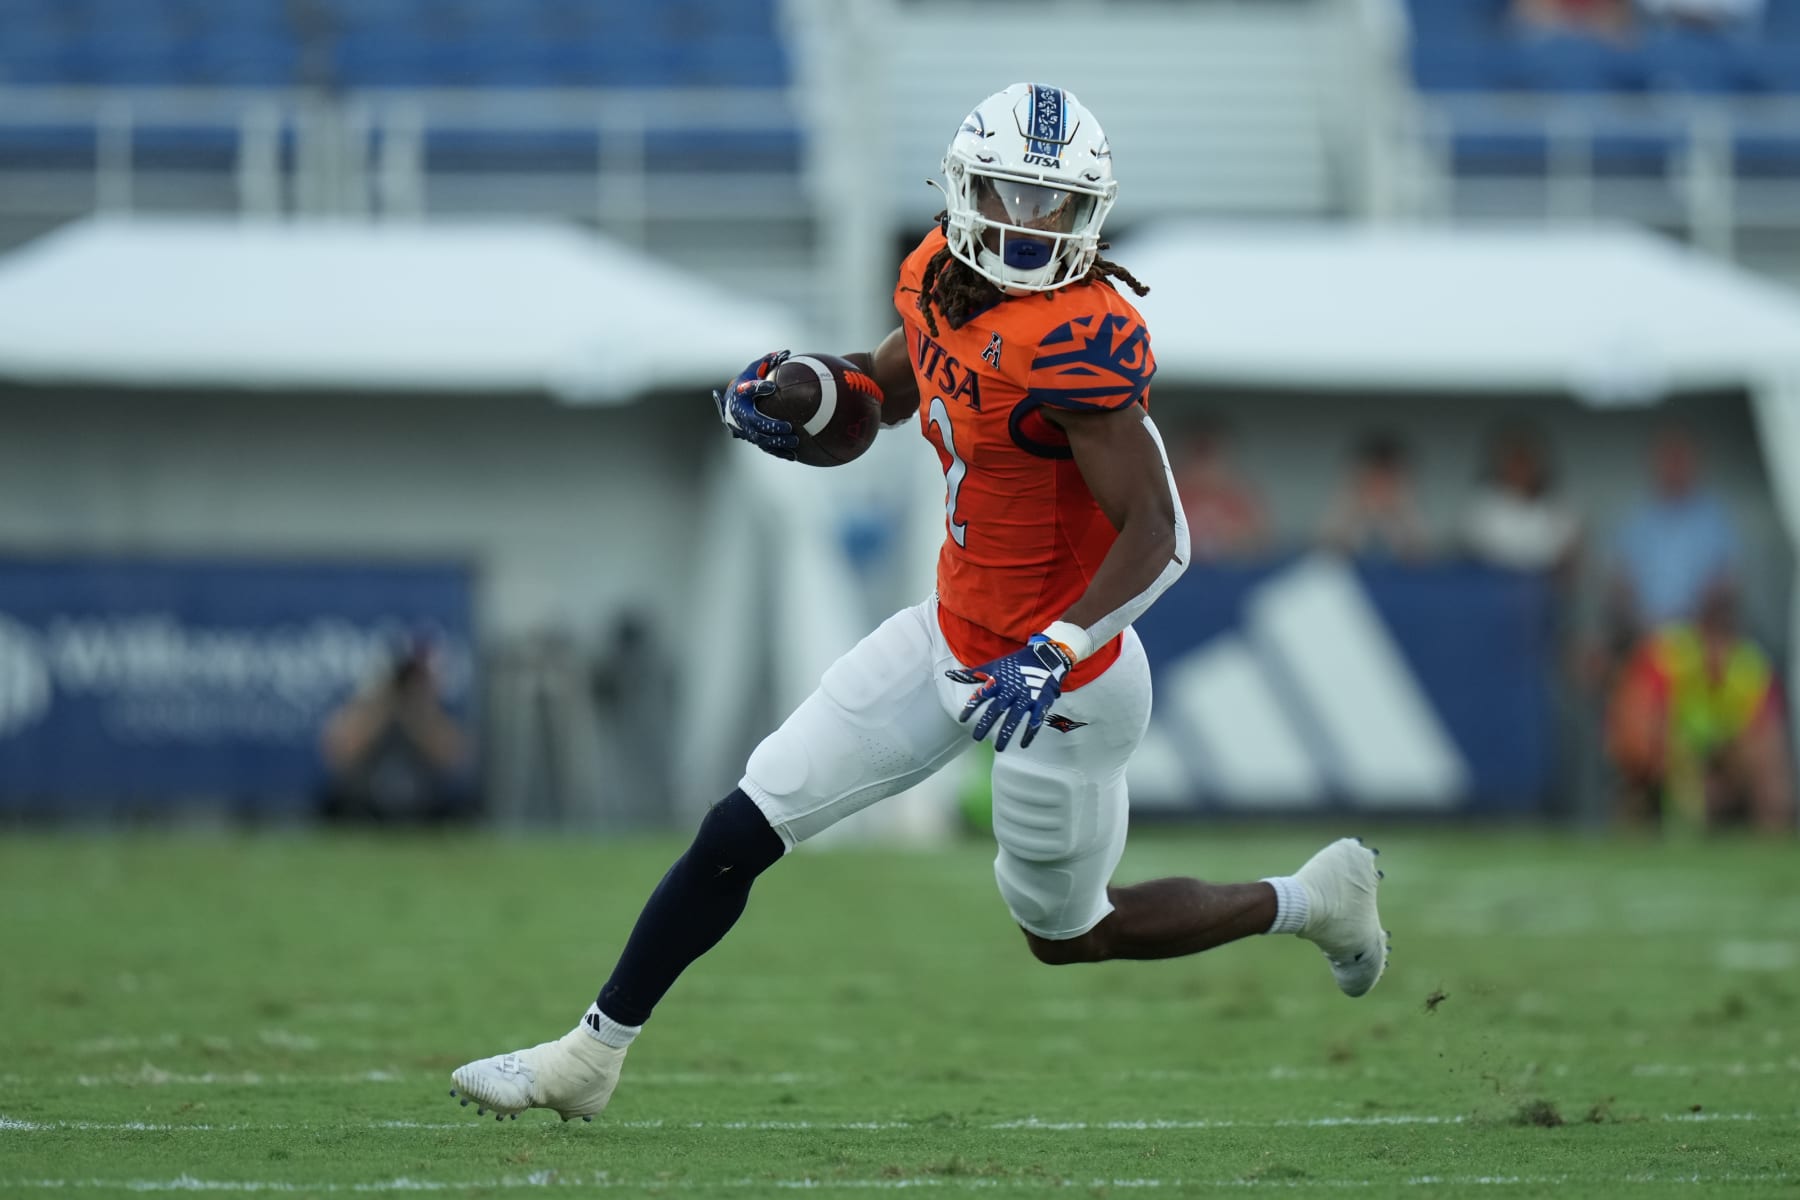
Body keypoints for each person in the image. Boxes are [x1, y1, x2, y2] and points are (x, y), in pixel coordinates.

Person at [447, 83, 1388, 1125]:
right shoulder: (938, 281)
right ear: (964, 189)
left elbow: (1160, 536)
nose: (1031, 228)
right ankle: (590, 1055)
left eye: (1054, 206)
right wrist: (804, 394)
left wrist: (1053, 648)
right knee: (744, 820)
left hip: (1063, 682)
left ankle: (1314, 903)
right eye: (1012, 198)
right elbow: (881, 399)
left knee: (1067, 933)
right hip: (945, 633)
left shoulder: (1083, 341)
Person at [1606, 582, 1794, 832]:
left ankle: (1769, 837)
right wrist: (1677, 770)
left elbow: (1769, 744)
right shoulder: (1673, 654)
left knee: (1770, 773)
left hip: (1722, 759)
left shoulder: (1749, 668)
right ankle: (1640, 819)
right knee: (1639, 745)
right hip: (1670, 754)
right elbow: (1636, 715)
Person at [1605, 426, 1741, 646]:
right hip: (1642, 632)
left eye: (1680, 458)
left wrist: (1694, 622)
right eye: (1668, 458)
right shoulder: (1637, 518)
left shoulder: (1715, 519)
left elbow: (1728, 582)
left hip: (1701, 633)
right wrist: (1639, 621)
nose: (1674, 466)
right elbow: (1618, 583)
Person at [318, 642, 470, 824]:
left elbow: (454, 760)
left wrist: (417, 710)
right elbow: (338, 755)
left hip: (423, 807)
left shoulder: (430, 715)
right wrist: (382, 702)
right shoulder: (370, 712)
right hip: (365, 807)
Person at [1460, 422, 1582, 577]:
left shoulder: (1559, 506)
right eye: (1514, 460)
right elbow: (1472, 557)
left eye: (1525, 460)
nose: (1520, 468)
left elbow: (1567, 559)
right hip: (1492, 586)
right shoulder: (1480, 505)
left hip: (1543, 587)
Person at [1317, 431, 1433, 562]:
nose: (1380, 487)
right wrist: (1352, 513)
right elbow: (1326, 550)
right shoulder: (1348, 505)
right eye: (1373, 479)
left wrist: (1401, 514)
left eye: (1387, 480)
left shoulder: (1405, 509)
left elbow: (1421, 552)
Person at [1174, 417, 1269, 562]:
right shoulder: (1169, 494)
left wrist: (1228, 536)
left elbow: (1262, 543)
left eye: (1209, 455)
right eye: (1198, 455)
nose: (1204, 466)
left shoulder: (1237, 496)